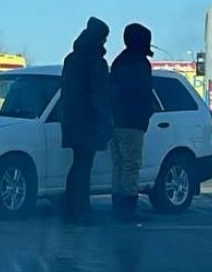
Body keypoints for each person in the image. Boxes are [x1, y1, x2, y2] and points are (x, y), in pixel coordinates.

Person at [60, 17, 113, 223]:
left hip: (72, 119)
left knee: (77, 164)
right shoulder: (96, 62)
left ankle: (70, 207)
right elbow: (99, 96)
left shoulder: (72, 59)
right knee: (84, 165)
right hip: (89, 121)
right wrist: (106, 122)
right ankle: (81, 210)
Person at [109, 23, 154, 222]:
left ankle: (118, 203)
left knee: (118, 163)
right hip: (132, 122)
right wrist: (145, 115)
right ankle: (128, 206)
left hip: (115, 120)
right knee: (131, 164)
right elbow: (144, 94)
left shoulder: (119, 61)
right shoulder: (140, 63)